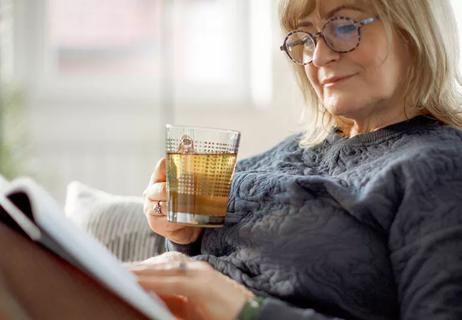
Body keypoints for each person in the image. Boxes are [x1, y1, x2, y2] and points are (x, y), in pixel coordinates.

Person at [135, 0, 462, 319]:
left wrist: (246, 311)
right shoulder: (292, 150)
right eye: (305, 38)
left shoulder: (439, 167)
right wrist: (181, 237)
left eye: (345, 26)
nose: (318, 57)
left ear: (414, 31)